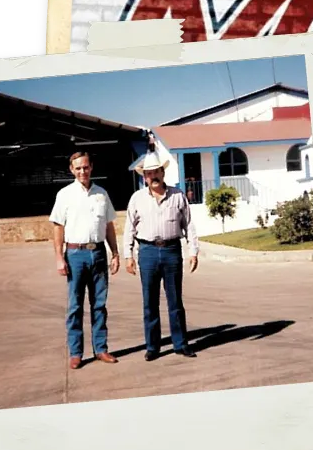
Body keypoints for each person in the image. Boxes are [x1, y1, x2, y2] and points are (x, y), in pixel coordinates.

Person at [123, 148, 200, 361]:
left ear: (162, 173)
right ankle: (153, 347)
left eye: (156, 171)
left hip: (171, 250)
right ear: (144, 177)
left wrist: (193, 251)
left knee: (175, 301)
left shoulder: (178, 196)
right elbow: (129, 228)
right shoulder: (137, 199)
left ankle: (180, 344)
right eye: (149, 173)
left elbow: (189, 225)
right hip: (147, 252)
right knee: (150, 302)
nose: (153, 176)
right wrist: (128, 255)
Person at [49, 151, 121, 370]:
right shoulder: (64, 195)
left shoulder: (102, 194)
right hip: (75, 255)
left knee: (99, 305)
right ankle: (76, 353)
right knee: (75, 306)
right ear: (72, 169)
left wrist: (115, 253)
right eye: (78, 168)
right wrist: (59, 258)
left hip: (98, 253)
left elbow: (108, 226)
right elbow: (58, 227)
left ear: (91, 167)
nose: (82, 171)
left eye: (86, 167)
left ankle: (101, 349)